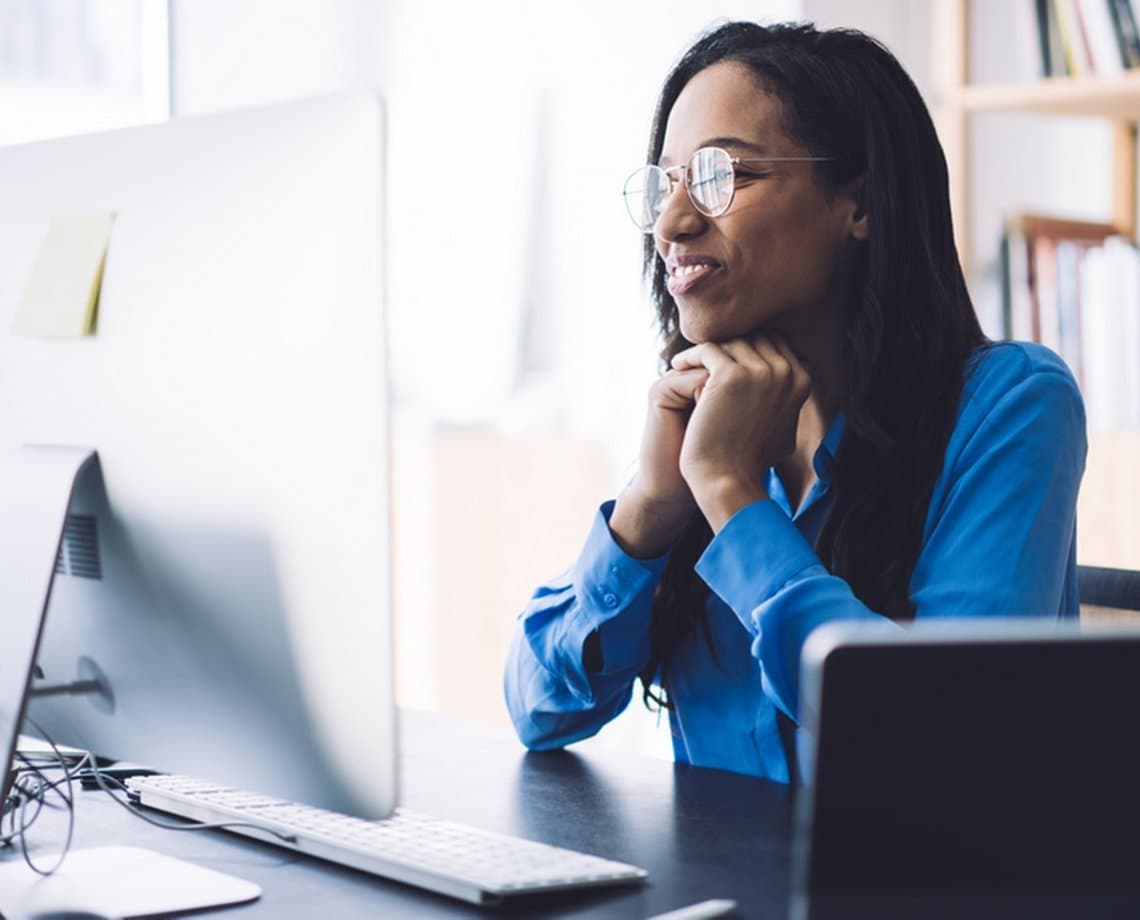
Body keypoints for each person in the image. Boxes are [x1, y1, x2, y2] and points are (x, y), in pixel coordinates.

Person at [503, 20, 1086, 782]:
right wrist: (648, 508)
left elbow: (942, 739)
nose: (673, 224)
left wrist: (733, 497)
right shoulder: (702, 421)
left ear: (860, 203)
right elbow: (539, 710)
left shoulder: (1013, 405)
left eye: (723, 177)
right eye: (666, 183)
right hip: (719, 896)